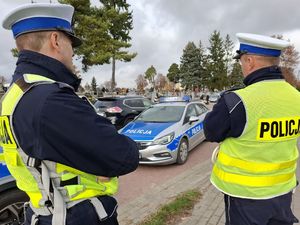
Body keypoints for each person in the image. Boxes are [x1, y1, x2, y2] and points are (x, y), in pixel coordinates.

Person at [0, 3, 139, 225]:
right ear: (56, 41)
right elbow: (123, 156)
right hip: (75, 215)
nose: (73, 52)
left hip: (42, 211)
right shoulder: (52, 99)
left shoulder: (13, 95)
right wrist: (102, 164)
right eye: (70, 42)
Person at [204, 33, 300, 225]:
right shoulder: (296, 96)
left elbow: (211, 131)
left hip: (245, 196)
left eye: (241, 62)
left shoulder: (236, 101)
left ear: (249, 61)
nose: (241, 67)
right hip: (282, 192)